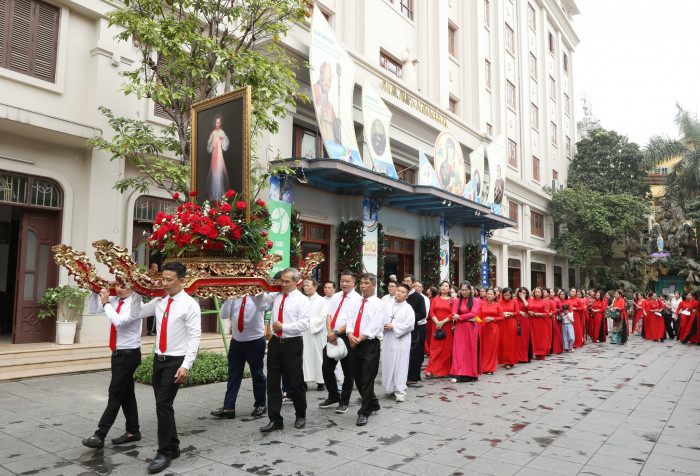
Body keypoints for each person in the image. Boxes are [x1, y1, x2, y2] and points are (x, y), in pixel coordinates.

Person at [131, 262, 201, 474]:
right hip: (158, 359)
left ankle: (164, 452)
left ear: (182, 281)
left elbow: (194, 337)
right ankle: (174, 446)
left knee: (163, 404)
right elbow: (136, 313)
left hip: (176, 361)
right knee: (164, 405)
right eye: (163, 279)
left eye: (169, 280)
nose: (164, 283)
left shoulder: (189, 304)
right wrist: (137, 292)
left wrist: (186, 365)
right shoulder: (159, 301)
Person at [81, 284, 143, 450]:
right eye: (117, 285)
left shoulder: (136, 304)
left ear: (134, 287)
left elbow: (119, 321)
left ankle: (100, 435)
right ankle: (133, 431)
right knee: (127, 394)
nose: (119, 289)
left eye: (124, 286)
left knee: (115, 393)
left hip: (128, 354)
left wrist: (106, 302)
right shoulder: (115, 300)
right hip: (118, 354)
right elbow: (93, 310)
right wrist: (94, 293)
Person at [260, 268, 310, 432]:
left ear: (296, 282)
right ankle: (275, 419)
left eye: (287, 281)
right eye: (281, 280)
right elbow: (261, 304)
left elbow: (304, 324)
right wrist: (256, 289)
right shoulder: (276, 295)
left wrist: (284, 327)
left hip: (292, 343)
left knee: (296, 381)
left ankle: (300, 415)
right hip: (275, 343)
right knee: (272, 382)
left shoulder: (302, 300)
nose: (283, 284)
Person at [211, 292, 272, 421]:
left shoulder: (259, 295)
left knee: (257, 374)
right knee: (233, 375)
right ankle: (228, 408)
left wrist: (253, 291)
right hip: (236, 342)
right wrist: (229, 297)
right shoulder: (236, 296)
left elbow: (262, 306)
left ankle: (260, 404)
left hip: (255, 341)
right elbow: (223, 315)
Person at [346, 273, 385, 426]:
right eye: (361, 283)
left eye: (366, 283)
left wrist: (361, 337)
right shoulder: (356, 302)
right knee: (357, 376)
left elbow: (375, 324)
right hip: (354, 342)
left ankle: (364, 411)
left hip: (369, 343)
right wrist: (350, 334)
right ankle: (373, 402)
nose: (362, 286)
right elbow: (349, 319)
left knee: (367, 378)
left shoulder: (379, 304)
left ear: (374, 285)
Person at [320, 270, 361, 413]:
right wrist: (330, 332)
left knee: (348, 371)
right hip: (332, 335)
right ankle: (333, 396)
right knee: (326, 367)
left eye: (348, 281)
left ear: (354, 283)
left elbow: (352, 321)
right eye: (342, 281)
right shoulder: (336, 296)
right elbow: (329, 315)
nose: (344, 283)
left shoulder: (357, 299)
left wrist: (337, 333)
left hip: (347, 336)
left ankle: (344, 401)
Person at [381, 283, 415, 402]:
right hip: (388, 338)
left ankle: (400, 391)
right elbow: (381, 320)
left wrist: (393, 326)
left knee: (400, 365)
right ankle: (391, 386)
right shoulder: (388, 306)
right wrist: (384, 326)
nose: (399, 293)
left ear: (407, 295)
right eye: (398, 290)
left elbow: (410, 325)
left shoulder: (408, 308)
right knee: (389, 362)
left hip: (401, 339)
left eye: (402, 292)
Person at [450, 281, 481, 383]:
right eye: (462, 290)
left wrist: (460, 317)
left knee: (470, 351)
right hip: (460, 328)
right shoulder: (456, 301)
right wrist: (465, 318)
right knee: (458, 351)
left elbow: (473, 313)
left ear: (470, 290)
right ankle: (458, 373)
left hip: (471, 329)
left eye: (466, 290)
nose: (464, 292)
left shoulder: (475, 301)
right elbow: (453, 314)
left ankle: (470, 373)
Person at [425, 281, 453, 378]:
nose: (444, 287)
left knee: (445, 349)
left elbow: (452, 314)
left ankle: (443, 371)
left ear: (449, 289)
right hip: (436, 326)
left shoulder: (452, 300)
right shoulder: (435, 299)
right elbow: (431, 312)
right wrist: (437, 322)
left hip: (447, 326)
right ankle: (430, 370)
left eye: (446, 286)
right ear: (440, 288)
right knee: (434, 348)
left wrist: (442, 322)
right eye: (442, 286)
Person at [302, 278, 327, 391]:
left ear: (315, 287)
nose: (305, 288)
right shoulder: (303, 300)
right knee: (304, 357)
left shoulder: (321, 301)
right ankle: (304, 380)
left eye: (308, 285)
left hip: (316, 332)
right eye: (304, 286)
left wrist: (309, 324)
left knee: (318, 356)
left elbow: (323, 318)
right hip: (304, 333)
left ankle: (320, 381)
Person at [404, 274, 427, 387]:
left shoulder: (419, 297)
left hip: (414, 328)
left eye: (408, 281)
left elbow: (422, 313)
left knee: (413, 353)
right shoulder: (402, 295)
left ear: (413, 283)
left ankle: (412, 376)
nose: (405, 283)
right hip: (400, 328)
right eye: (404, 281)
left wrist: (410, 318)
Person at [478, 289, 504, 375]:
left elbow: (502, 317)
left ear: (494, 296)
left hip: (493, 329)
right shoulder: (482, 305)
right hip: (483, 328)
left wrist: (493, 319)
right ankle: (484, 367)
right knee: (484, 348)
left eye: (491, 294)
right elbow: (479, 317)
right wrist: (478, 321)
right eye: (488, 294)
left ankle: (491, 368)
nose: (489, 295)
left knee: (492, 348)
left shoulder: (497, 305)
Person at [206, 114, 230, 200]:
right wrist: (213, 140)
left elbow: (225, 147)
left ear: (221, 122)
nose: (217, 124)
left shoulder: (222, 133)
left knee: (219, 174)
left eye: (219, 122)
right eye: (216, 122)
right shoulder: (212, 133)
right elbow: (209, 148)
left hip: (219, 157)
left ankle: (219, 196)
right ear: (214, 123)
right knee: (214, 174)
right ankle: (214, 194)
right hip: (214, 156)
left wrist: (222, 140)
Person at [498, 287, 518, 370]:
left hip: (511, 323)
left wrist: (509, 313)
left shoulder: (514, 302)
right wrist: (503, 314)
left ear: (511, 295)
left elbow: (517, 313)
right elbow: (497, 312)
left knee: (511, 342)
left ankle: (510, 361)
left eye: (508, 295)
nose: (506, 297)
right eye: (505, 295)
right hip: (502, 323)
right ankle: (504, 360)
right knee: (503, 342)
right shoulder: (500, 302)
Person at [528, 287, 551, 360]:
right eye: (536, 292)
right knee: (534, 337)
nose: (537, 293)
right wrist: (529, 312)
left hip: (541, 322)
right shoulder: (531, 301)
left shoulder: (544, 302)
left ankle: (541, 354)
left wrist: (538, 314)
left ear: (541, 293)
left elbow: (547, 313)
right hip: (532, 321)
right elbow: (527, 309)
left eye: (538, 292)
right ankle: (535, 353)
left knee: (541, 338)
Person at [516, 287, 532, 363]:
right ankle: (517, 357)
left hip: (525, 321)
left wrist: (523, 299)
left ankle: (524, 357)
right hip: (517, 320)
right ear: (519, 293)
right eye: (522, 293)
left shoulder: (528, 300)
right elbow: (512, 309)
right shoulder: (514, 300)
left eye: (525, 293)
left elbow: (529, 308)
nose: (523, 294)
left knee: (525, 339)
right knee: (518, 340)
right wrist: (520, 312)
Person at [424, 285, 438, 355]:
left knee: (429, 335)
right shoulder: (428, 299)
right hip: (429, 319)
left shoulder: (432, 300)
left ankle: (428, 350)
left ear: (431, 292)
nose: (427, 290)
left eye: (429, 289)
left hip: (429, 320)